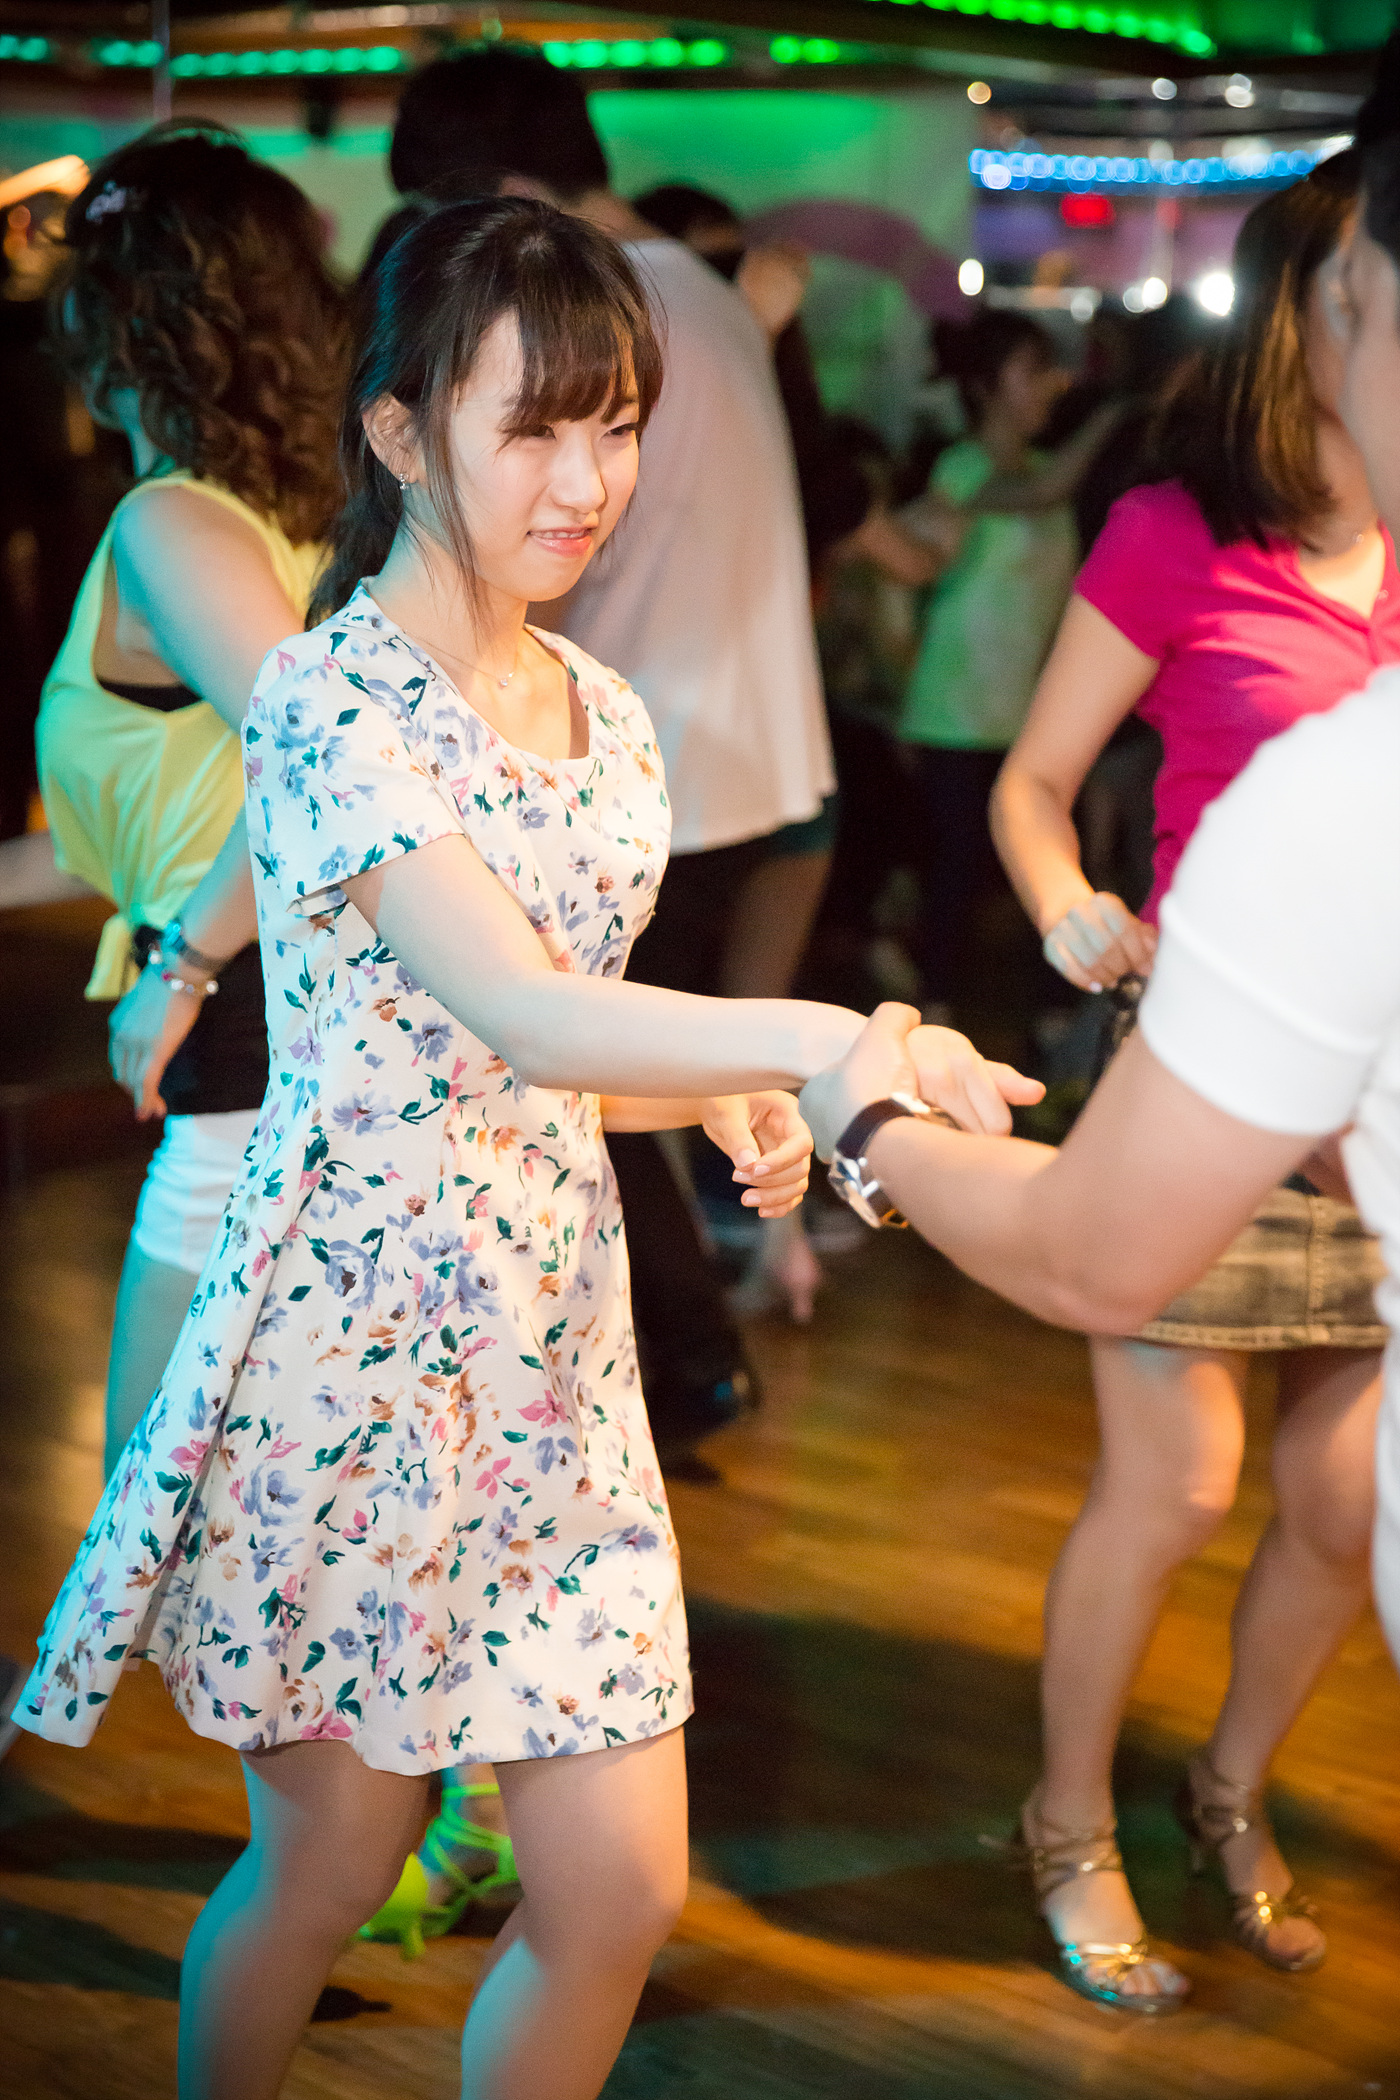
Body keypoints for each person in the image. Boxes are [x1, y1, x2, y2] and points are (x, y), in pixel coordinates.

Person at [16, 196, 1038, 2100]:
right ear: (401, 433)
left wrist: (716, 1090)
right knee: (328, 1867)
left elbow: (560, 1065)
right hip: (351, 1364)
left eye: (619, 426)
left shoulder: (609, 716)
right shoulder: (331, 701)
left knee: (620, 1893)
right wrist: (820, 1040)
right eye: (536, 428)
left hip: (555, 1365)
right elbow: (520, 1011)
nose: (589, 483)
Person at [986, 149, 1394, 2007]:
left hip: (1372, 1110)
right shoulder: (1175, 530)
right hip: (1205, 1073)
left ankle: (1228, 1788)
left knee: (1344, 1504)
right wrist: (1069, 907)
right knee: (1178, 1488)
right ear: (1311, 315)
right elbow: (1032, 786)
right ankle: (1066, 1819)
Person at [388, 48, 839, 1369]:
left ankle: (694, 1361)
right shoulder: (704, 293)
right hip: (759, 762)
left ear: (512, 194)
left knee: (618, 1071)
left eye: (454, 214)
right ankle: (704, 1349)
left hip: (653, 762)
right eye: (538, 432)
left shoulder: (602, 309)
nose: (585, 479)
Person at [33, 126, 348, 1478]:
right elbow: (173, 815)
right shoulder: (301, 521)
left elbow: (322, 760)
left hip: (253, 1009)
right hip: (284, 992)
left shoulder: (170, 524)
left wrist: (181, 965)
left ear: (130, 329)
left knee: (147, 1490)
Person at [899, 311, 1102, 1025]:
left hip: (1029, 711)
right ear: (987, 386)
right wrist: (1114, 418)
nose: (1051, 384)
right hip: (952, 708)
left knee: (1049, 861)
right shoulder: (962, 469)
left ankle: (1053, 1018)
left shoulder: (1048, 470)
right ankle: (933, 1009)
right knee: (958, 868)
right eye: (1033, 369)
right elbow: (1040, 499)